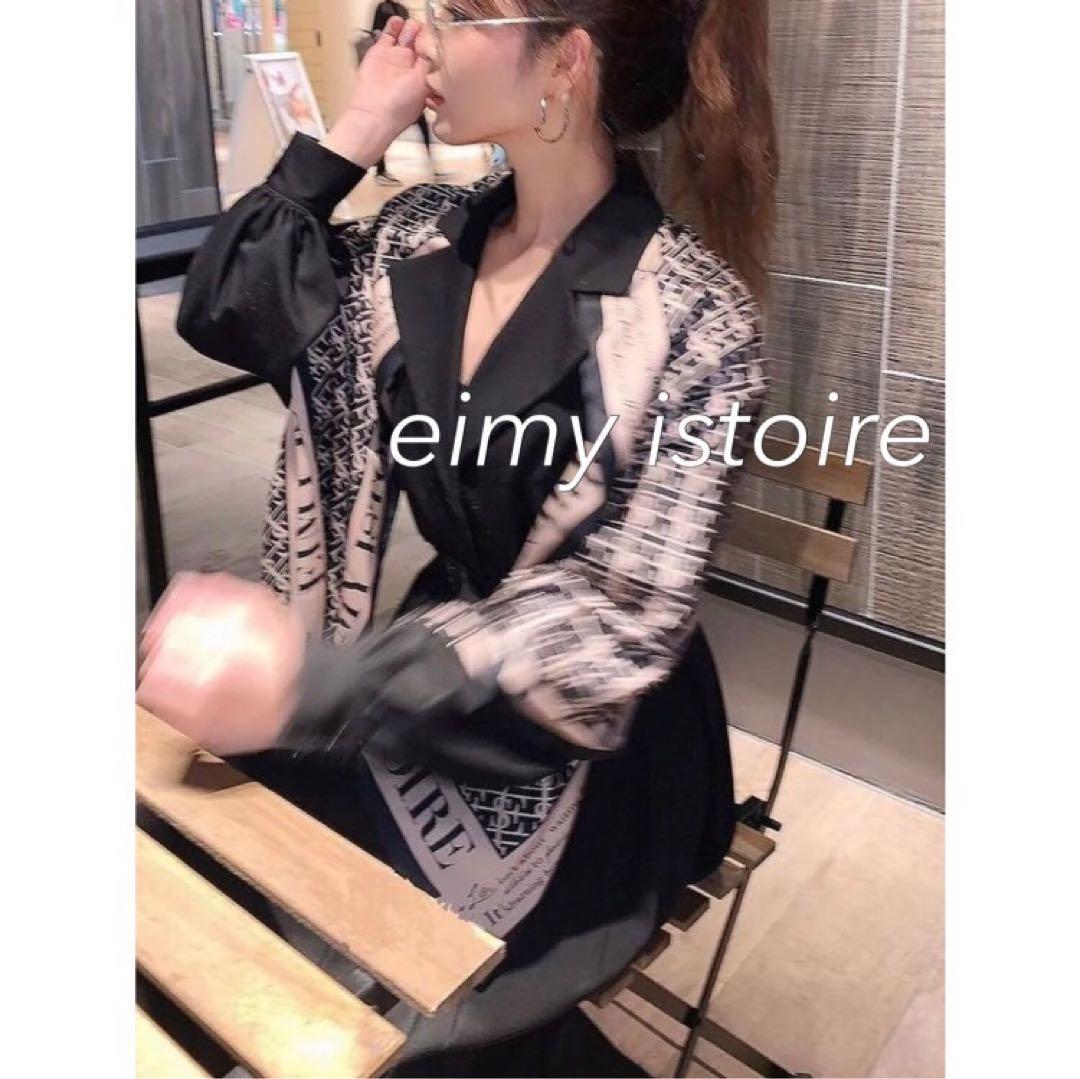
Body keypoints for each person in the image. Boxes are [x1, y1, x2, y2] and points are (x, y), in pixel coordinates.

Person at [142, 2, 778, 1073]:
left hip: (601, 730)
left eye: (461, 13)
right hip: (417, 667)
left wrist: (313, 686)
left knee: (383, 1001)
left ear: (565, 61)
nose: (420, 35)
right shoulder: (420, 238)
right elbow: (230, 307)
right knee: (202, 879)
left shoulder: (695, 317)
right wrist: (351, 134)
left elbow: (614, 621)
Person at [366, 1, 441, 184]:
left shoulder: (400, 8)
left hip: (404, 73)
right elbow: (376, 30)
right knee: (384, 130)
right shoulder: (383, 9)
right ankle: (381, 170)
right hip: (389, 77)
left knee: (420, 126)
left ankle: (432, 166)